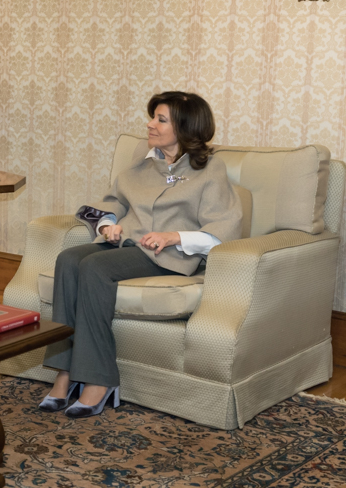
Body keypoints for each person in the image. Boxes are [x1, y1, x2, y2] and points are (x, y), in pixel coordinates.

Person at [40, 91, 242, 418]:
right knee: (69, 259)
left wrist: (174, 235)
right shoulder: (142, 164)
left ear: (185, 127)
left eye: (161, 120)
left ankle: (98, 379)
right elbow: (108, 206)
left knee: (93, 268)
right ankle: (64, 372)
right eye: (153, 117)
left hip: (169, 256)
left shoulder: (209, 170)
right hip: (126, 246)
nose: (150, 124)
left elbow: (225, 227)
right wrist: (108, 227)